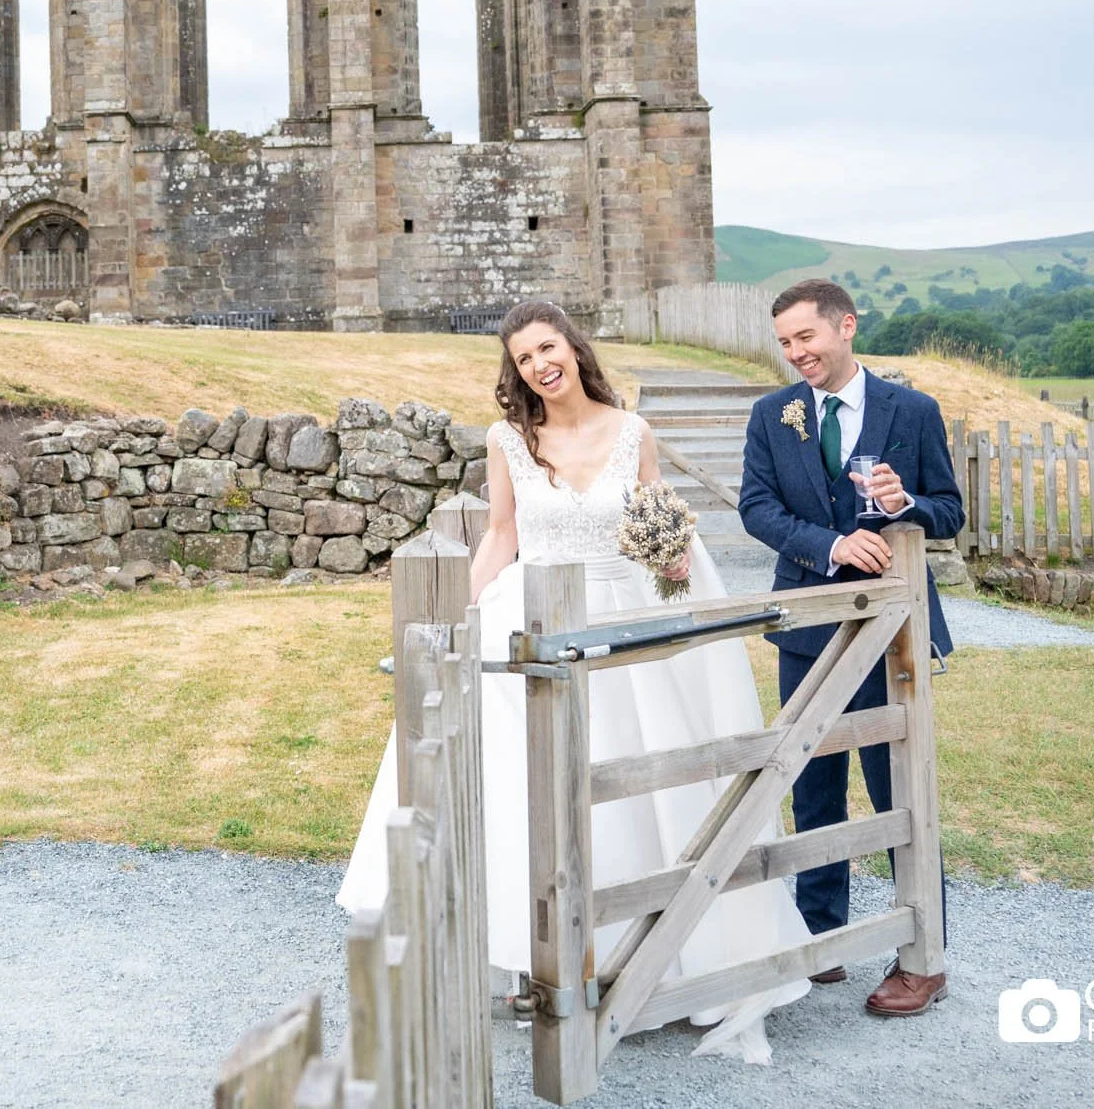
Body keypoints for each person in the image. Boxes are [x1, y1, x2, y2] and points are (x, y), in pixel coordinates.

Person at [337, 300, 812, 1064]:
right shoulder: (509, 440)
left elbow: (662, 531)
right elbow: (502, 535)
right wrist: (458, 615)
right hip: (531, 615)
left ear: (573, 347)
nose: (538, 365)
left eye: (547, 347)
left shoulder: (634, 434)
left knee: (647, 780)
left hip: (624, 623)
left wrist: (674, 563)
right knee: (522, 784)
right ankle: (538, 960)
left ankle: (657, 958)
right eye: (523, 358)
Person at [738, 278, 960, 1019]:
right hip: (808, 621)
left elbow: (949, 510)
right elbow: (757, 508)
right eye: (786, 343)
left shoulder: (913, 411)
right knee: (814, 785)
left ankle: (921, 955)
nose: (796, 353)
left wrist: (906, 507)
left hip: (893, 635)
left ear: (846, 327)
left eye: (806, 337)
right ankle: (821, 936)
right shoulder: (773, 415)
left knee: (899, 785)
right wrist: (831, 543)